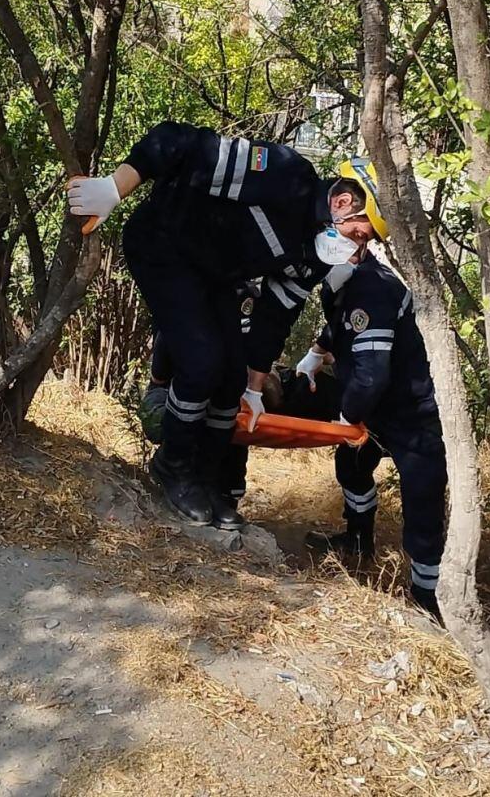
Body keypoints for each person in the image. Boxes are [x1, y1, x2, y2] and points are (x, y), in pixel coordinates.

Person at [67, 123, 368, 531]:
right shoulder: (286, 175)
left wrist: (255, 388)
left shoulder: (318, 254)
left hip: (217, 274)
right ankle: (173, 465)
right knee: (201, 363)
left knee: (231, 378)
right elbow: (177, 140)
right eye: (359, 234)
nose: (357, 248)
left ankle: (205, 480)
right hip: (164, 245)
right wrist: (115, 187)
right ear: (342, 202)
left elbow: (275, 317)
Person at [291, 162, 448, 619]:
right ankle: (357, 540)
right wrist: (318, 351)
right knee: (352, 466)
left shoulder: (373, 288)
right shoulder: (343, 280)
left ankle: (427, 598)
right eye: (361, 230)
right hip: (378, 407)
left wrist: (347, 417)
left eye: (366, 236)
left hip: (412, 413)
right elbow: (343, 327)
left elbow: (372, 373)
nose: (361, 240)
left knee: (422, 501)